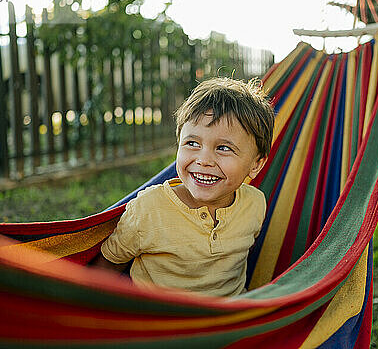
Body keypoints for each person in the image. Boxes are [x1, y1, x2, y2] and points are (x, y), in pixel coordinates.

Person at [94, 77, 275, 297]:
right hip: (165, 325)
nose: (204, 159)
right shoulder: (148, 210)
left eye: (224, 148)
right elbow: (106, 269)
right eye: (192, 143)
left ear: (256, 164)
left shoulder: (255, 203)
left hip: (231, 323)